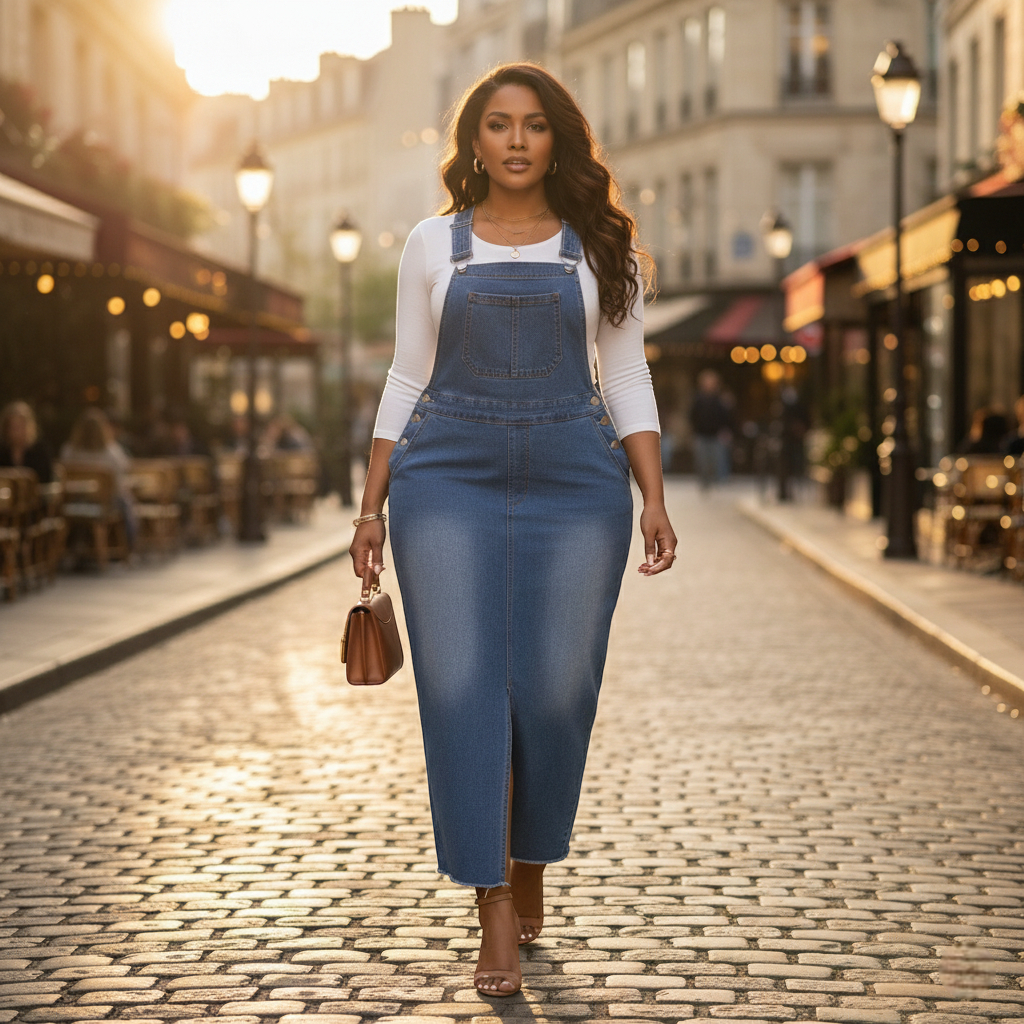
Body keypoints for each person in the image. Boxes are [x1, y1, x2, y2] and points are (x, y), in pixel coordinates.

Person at [348, 63, 677, 998]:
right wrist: (371, 506)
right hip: (444, 476)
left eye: (534, 125)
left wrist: (652, 495)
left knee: (559, 689)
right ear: (475, 142)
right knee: (460, 688)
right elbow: (406, 378)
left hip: (577, 477)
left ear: (558, 138)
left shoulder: (601, 247)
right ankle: (493, 899)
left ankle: (531, 855)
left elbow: (626, 376)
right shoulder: (430, 245)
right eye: (498, 125)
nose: (518, 140)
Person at [60, 407, 137, 547]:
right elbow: (121, 480)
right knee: (126, 500)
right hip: (104, 505)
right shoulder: (112, 452)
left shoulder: (68, 451)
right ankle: (128, 544)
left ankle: (76, 544)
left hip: (75, 503)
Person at [689, 370, 730, 489]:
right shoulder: (698, 399)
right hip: (701, 434)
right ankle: (704, 482)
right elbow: (692, 416)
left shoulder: (720, 399)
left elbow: (726, 417)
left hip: (716, 435)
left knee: (718, 460)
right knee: (702, 460)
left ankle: (718, 481)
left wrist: (725, 430)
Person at [0, 401, 53, 483]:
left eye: (20, 426)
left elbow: (45, 479)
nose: (17, 432)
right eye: (13, 427)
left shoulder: (40, 450)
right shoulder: (2, 451)